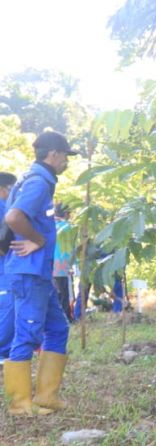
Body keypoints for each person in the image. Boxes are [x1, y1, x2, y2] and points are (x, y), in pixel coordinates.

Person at [3, 131, 74, 415]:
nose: (66, 161)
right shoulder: (38, 184)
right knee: (28, 334)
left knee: (58, 329)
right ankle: (20, 404)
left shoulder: (29, 180)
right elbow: (12, 218)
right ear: (53, 154)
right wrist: (39, 240)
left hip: (38, 275)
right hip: (29, 273)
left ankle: (47, 396)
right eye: (66, 155)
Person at [0, 171, 18, 361]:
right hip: (5, 270)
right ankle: (3, 354)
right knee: (7, 310)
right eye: (11, 188)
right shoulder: (4, 208)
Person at [52, 203, 75, 322]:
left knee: (55, 293)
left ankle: (57, 317)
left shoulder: (49, 225)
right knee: (65, 293)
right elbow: (72, 247)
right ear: (66, 214)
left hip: (49, 264)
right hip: (63, 265)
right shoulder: (68, 227)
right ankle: (66, 317)